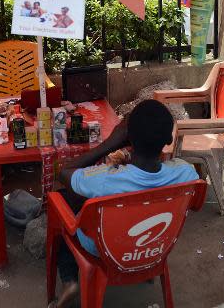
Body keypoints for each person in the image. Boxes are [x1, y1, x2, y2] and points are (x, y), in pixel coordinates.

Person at [49, 100, 199, 308]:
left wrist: (109, 143)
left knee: (64, 198)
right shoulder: (187, 173)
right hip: (156, 248)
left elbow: (64, 172)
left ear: (127, 138)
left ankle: (69, 279)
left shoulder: (104, 180)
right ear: (169, 139)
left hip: (104, 249)